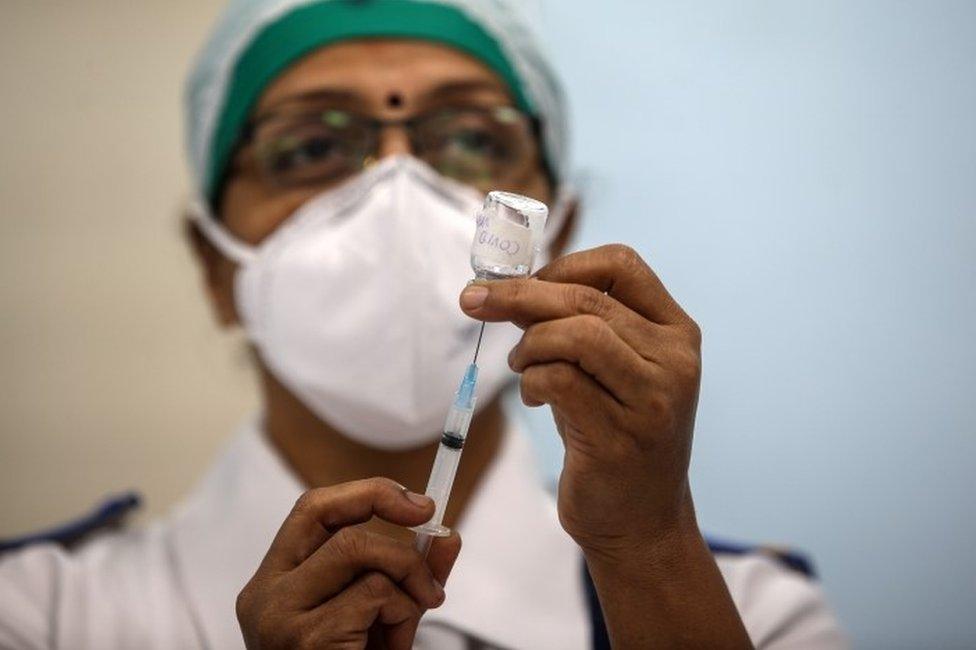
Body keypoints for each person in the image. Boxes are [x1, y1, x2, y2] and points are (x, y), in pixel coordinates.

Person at [0, 1, 847, 648]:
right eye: (308, 148)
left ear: (562, 233)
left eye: (471, 138)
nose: (395, 187)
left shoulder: (747, 612)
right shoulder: (42, 613)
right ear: (216, 265)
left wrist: (647, 549)